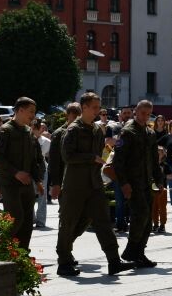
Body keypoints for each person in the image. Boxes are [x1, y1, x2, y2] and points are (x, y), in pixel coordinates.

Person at [56, 92, 134, 277]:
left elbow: (100, 154)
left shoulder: (98, 130)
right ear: (83, 108)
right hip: (75, 184)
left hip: (94, 183)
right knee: (68, 223)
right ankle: (64, 261)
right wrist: (91, 158)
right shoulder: (73, 129)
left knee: (103, 222)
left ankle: (114, 261)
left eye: (99, 107)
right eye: (94, 107)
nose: (97, 111)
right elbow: (67, 156)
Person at [0, 97, 45, 252]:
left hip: (27, 184)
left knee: (27, 221)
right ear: (20, 110)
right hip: (10, 183)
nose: (33, 116)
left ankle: (22, 253)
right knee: (16, 218)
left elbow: (34, 159)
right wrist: (16, 173)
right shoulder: (6, 130)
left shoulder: (28, 132)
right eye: (31, 112)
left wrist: (38, 181)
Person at [114, 100, 160, 268]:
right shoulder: (127, 132)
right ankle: (131, 250)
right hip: (132, 182)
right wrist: (124, 183)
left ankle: (139, 252)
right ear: (136, 112)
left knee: (147, 219)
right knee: (140, 214)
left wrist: (159, 179)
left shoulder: (150, 133)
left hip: (146, 182)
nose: (145, 117)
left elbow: (154, 160)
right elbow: (118, 161)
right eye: (142, 113)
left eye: (148, 114)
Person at [32, 118, 52, 229]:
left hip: (42, 170)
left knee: (42, 195)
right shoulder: (26, 140)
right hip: (29, 170)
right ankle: (31, 218)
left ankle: (40, 220)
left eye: (36, 128)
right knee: (29, 195)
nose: (34, 130)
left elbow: (49, 156)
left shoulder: (46, 142)